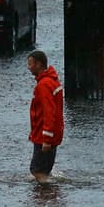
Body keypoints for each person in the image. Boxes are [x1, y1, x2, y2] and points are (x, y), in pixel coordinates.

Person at [27, 49, 64, 183]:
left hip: (44, 136)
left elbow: (49, 112)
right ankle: (49, 191)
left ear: (39, 64)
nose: (28, 67)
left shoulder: (43, 85)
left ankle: (45, 192)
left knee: (37, 170)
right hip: (51, 133)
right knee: (43, 170)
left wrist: (46, 139)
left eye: (30, 64)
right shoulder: (52, 81)